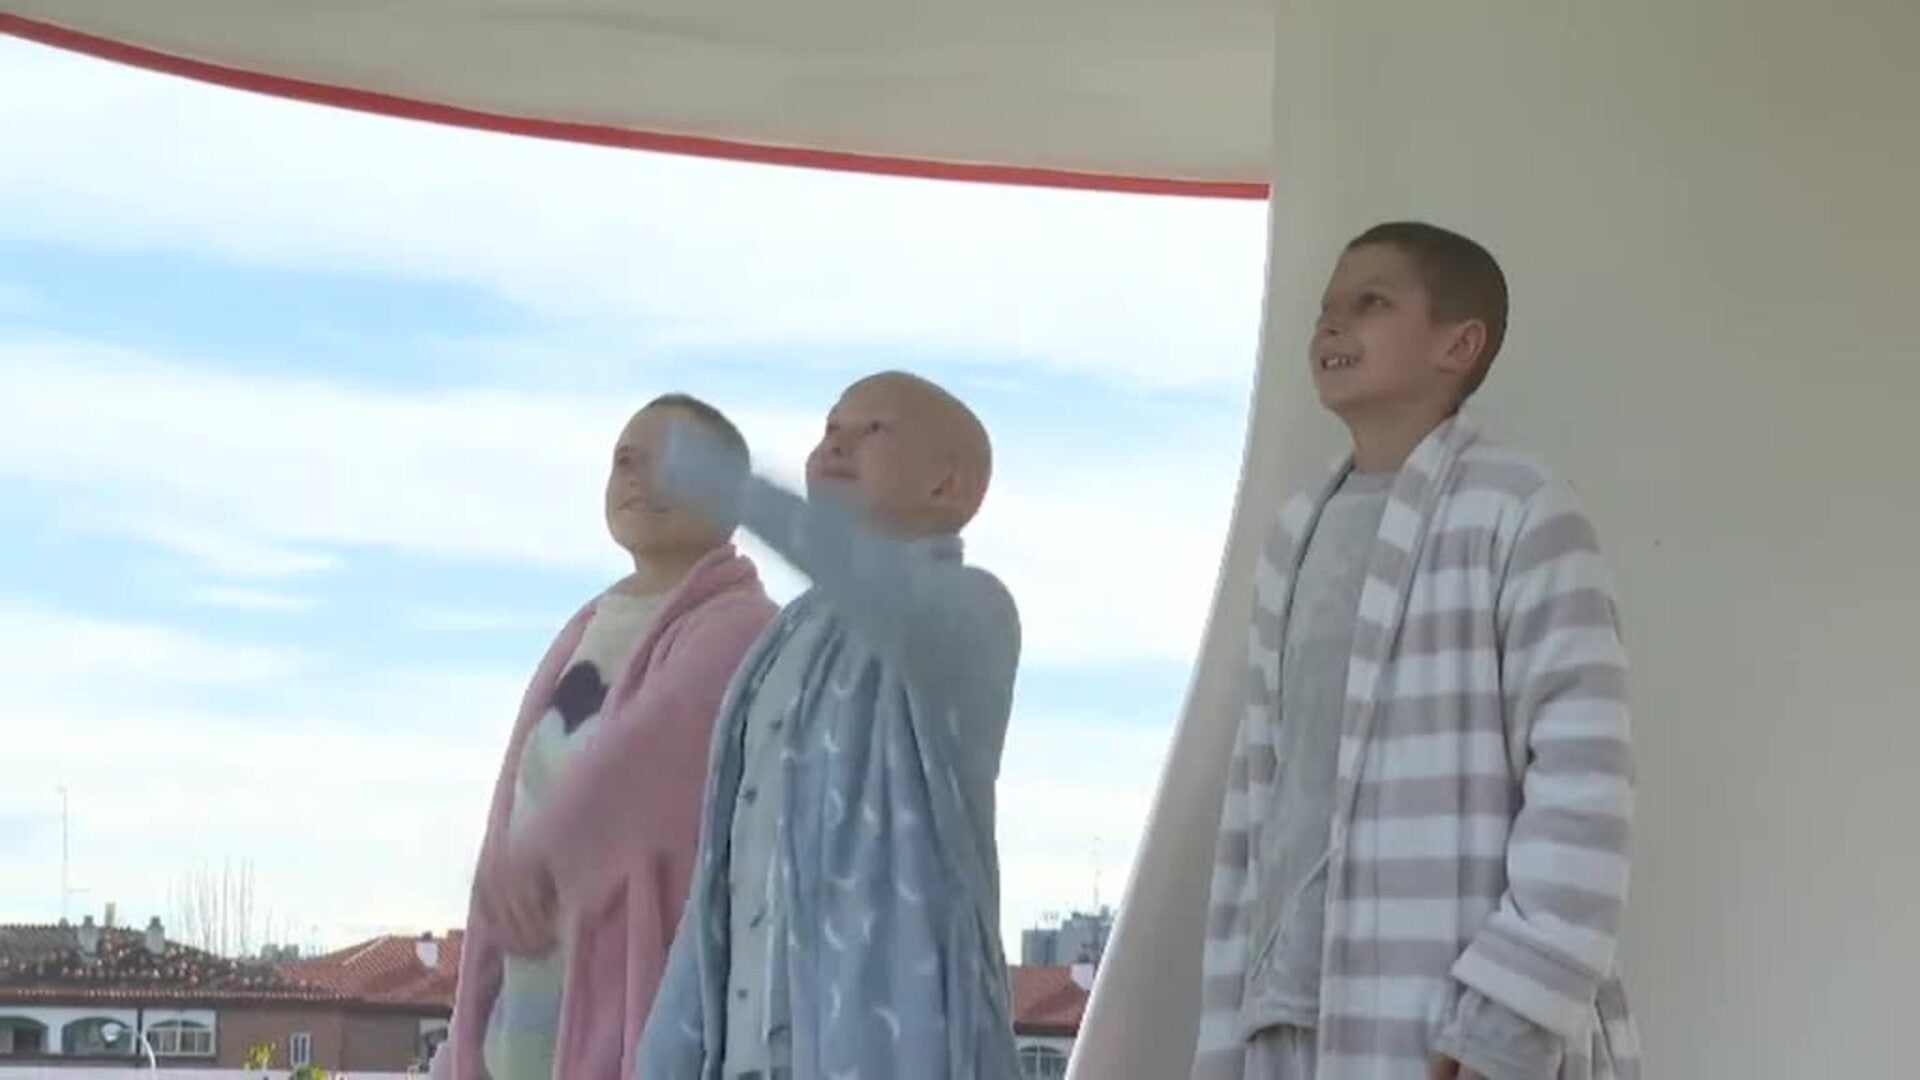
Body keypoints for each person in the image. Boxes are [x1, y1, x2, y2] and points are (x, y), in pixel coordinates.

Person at [1193, 223, 1639, 1080]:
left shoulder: (1521, 508)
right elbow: (1266, 782)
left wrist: (1513, 1010)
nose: (1331, 325)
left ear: (1458, 345)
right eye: (1325, 308)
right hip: (1291, 1002)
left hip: (1447, 1007)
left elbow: (1585, 772)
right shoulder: (1295, 532)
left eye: (1371, 303)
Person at [636, 370, 1022, 1080]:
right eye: (828, 430)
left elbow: (881, 588)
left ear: (948, 484)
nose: (835, 445)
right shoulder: (780, 644)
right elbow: (723, 877)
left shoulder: (972, 612)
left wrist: (732, 488)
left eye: (871, 429)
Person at [447, 394, 777, 1080]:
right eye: (624, 460)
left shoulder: (740, 624)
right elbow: (517, 802)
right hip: (526, 1002)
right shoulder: (586, 628)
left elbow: (654, 748)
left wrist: (538, 859)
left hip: (636, 1010)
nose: (637, 476)